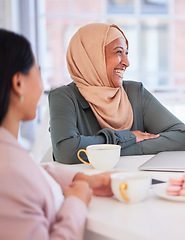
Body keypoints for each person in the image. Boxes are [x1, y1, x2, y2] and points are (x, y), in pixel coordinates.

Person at [0, 29, 113, 239]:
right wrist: (76, 203)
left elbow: (31, 173)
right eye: (39, 72)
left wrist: (83, 179)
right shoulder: (8, 173)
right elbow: (17, 180)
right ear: (18, 83)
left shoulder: (10, 156)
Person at [49, 23, 185, 164]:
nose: (126, 62)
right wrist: (128, 137)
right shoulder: (63, 98)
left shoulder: (135, 92)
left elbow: (182, 138)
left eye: (126, 53)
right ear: (92, 56)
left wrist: (117, 149)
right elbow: (66, 150)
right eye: (118, 52)